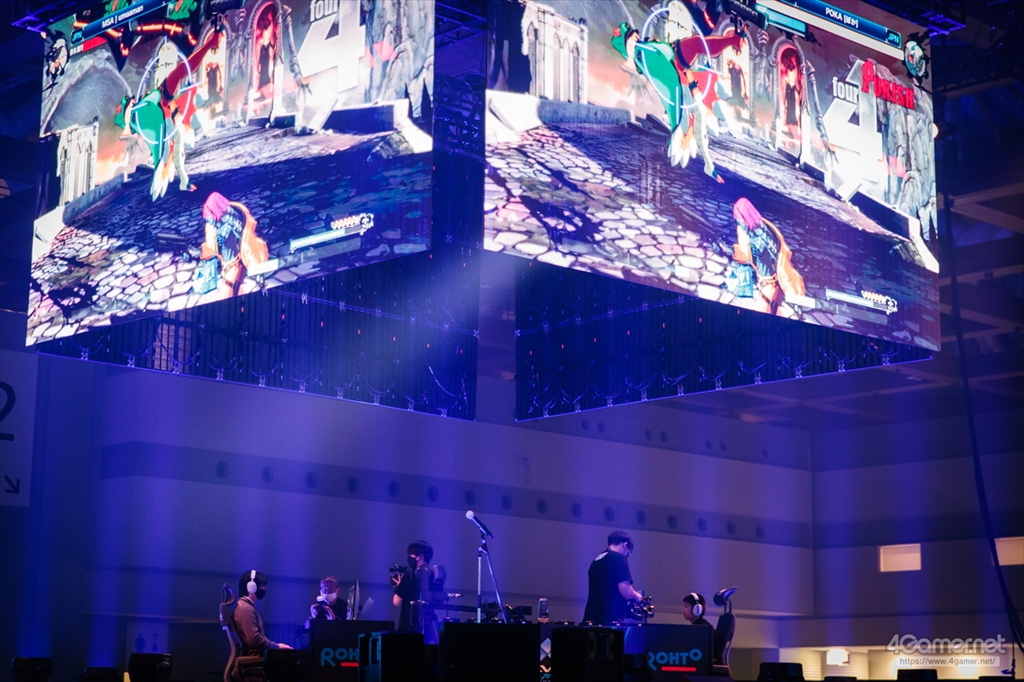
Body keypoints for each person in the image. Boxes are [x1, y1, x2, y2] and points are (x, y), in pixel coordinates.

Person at [610, 2, 744, 182]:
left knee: (696, 43)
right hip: (673, 73)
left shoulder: (644, 47)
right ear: (625, 46)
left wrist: (688, 77)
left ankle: (734, 40)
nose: (636, 38)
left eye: (635, 36)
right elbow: (670, 86)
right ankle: (698, 152)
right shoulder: (640, 59)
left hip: (675, 59)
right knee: (696, 111)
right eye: (631, 38)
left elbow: (667, 55)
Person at [726, 197, 805, 315]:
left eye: (739, 219)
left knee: (763, 312)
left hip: (771, 282)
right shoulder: (764, 225)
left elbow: (763, 266)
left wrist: (761, 280)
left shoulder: (757, 242)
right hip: (777, 275)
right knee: (775, 309)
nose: (738, 222)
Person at [582, 530, 645, 625]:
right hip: (610, 620)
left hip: (590, 618)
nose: (626, 556)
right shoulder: (619, 558)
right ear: (624, 545)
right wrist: (636, 596)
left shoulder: (596, 560)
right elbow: (625, 591)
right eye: (628, 553)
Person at [233, 570, 293, 655]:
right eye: (262, 586)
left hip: (256, 654)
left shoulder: (245, 606)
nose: (264, 589)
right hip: (255, 656)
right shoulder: (246, 609)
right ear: (251, 587)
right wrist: (277, 646)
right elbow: (254, 639)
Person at [392, 540, 443, 631]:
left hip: (408, 625)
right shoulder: (434, 575)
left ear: (421, 556)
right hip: (428, 626)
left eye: (411, 555)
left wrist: (400, 586)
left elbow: (396, 602)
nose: (409, 557)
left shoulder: (409, 574)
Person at [683, 592, 721, 660]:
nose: (683, 610)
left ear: (697, 609)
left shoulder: (702, 630)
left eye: (686, 606)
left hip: (707, 665)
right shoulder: (700, 627)